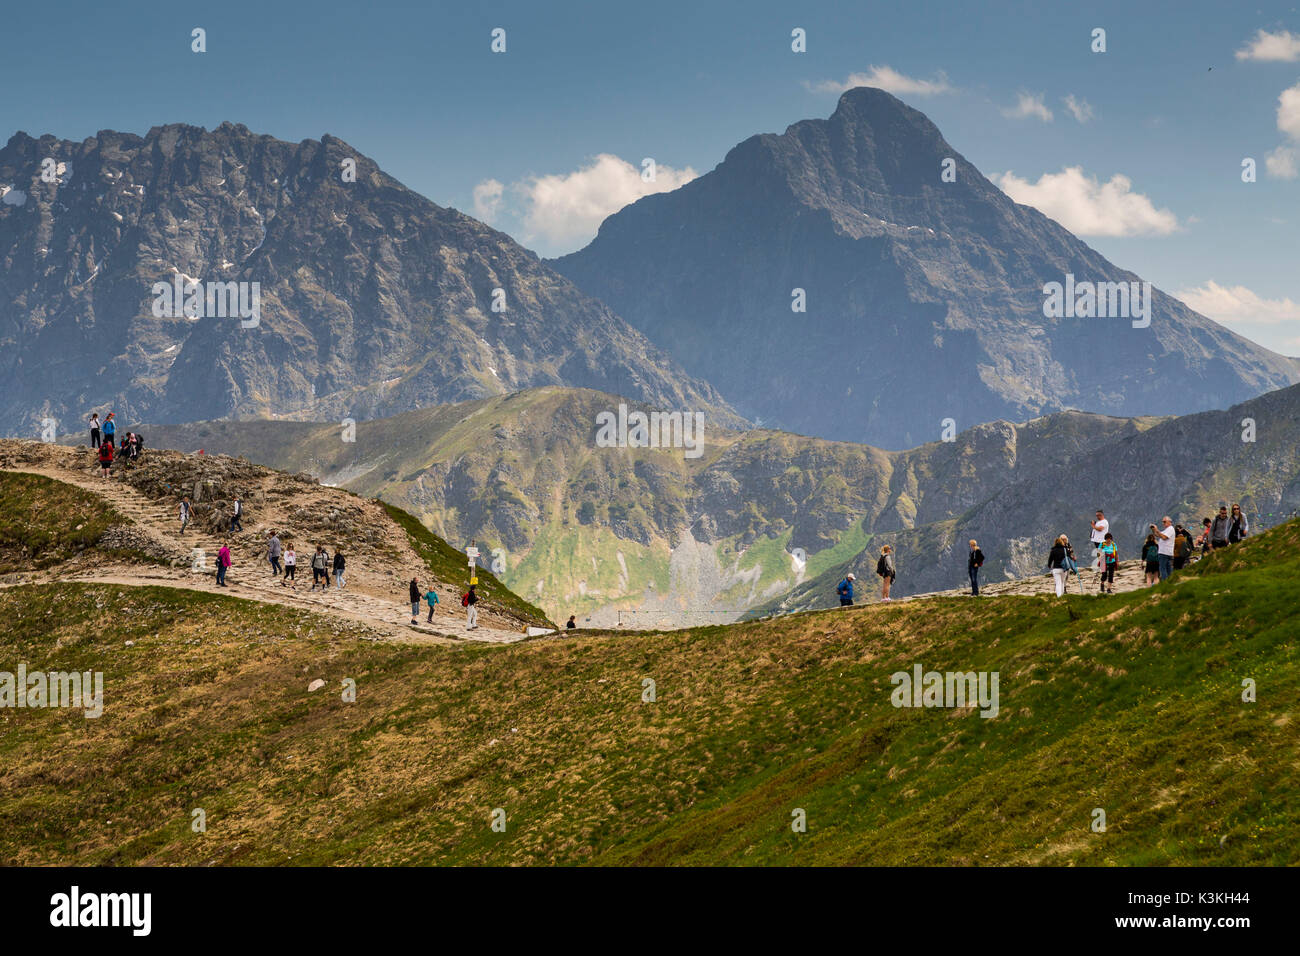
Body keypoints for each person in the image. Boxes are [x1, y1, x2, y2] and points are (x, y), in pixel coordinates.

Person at [1155, 516, 1175, 581]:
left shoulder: (1170, 529)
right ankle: (1170, 583)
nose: (1163, 523)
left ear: (1169, 522)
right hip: (1167, 553)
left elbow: (1164, 537)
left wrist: (1157, 530)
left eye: (1164, 522)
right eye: (1162, 522)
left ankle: (1165, 583)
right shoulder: (1167, 530)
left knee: (1163, 569)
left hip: (1164, 552)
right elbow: (1158, 535)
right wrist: (1154, 530)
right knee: (1168, 570)